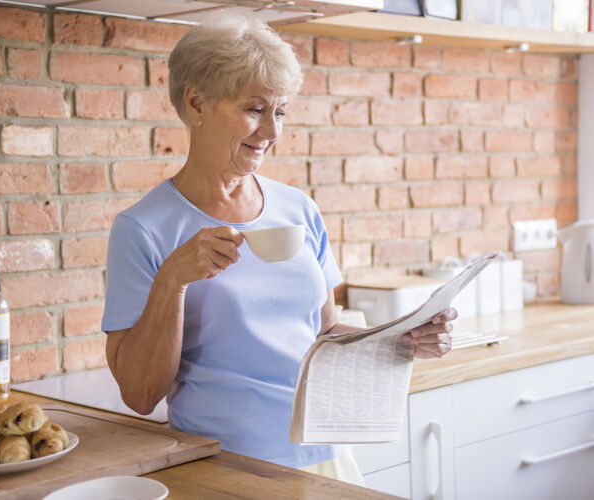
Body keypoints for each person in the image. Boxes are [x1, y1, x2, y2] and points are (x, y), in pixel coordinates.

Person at [101, 16, 455, 484]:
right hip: (227, 468)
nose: (272, 131)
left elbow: (323, 331)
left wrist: (405, 336)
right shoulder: (143, 229)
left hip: (324, 456)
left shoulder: (298, 208)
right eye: (255, 109)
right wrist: (173, 280)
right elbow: (140, 395)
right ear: (196, 102)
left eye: (281, 111)